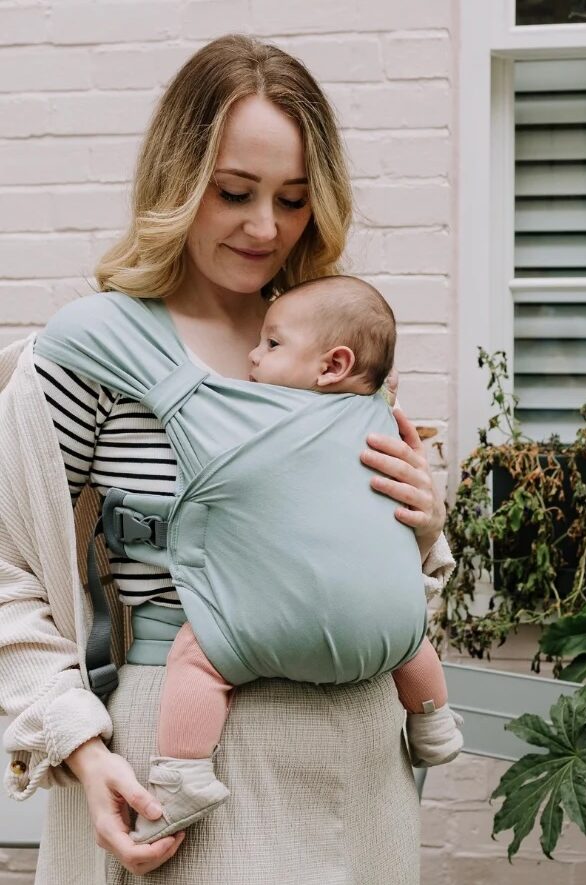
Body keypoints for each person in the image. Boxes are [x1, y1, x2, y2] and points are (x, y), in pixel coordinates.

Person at [0, 35, 454, 884]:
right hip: (180, 766)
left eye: (291, 199)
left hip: (361, 769)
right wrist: (81, 749)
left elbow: (395, 570)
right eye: (235, 192)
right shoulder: (89, 353)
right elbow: (6, 568)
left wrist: (424, 530)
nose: (265, 228)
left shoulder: (329, 346)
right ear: (176, 183)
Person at [126, 275, 462, 844]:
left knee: (198, 658)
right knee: (408, 635)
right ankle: (432, 722)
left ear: (331, 366)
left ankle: (184, 773)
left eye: (272, 345)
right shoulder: (381, 410)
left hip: (263, 628)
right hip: (381, 627)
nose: (254, 356)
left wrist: (429, 522)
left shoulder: (248, 410)